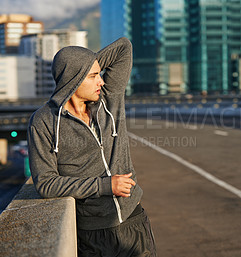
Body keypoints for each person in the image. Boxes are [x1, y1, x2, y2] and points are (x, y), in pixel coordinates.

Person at [27, 37, 157, 257]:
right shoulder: (44, 121)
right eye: (94, 76)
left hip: (133, 219)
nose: (102, 81)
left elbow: (124, 47)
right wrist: (105, 186)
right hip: (92, 233)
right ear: (74, 80)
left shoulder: (109, 100)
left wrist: (89, 63)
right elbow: (46, 183)